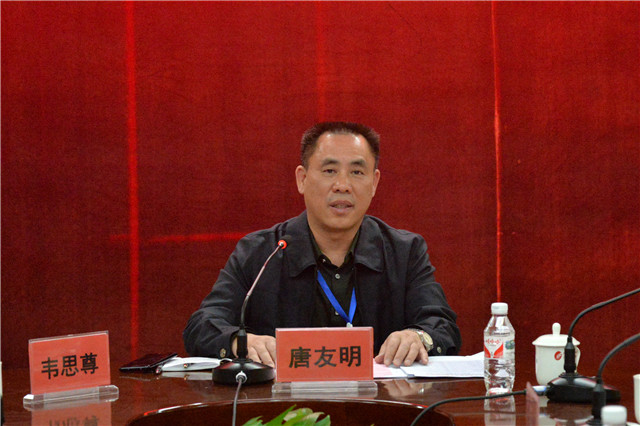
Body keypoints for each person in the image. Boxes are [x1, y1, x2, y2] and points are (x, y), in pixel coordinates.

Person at [183, 122, 461, 367]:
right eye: (329, 170)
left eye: (357, 172)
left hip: (381, 402)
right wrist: (239, 341)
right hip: (283, 406)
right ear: (302, 179)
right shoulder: (261, 252)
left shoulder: (405, 252)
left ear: (374, 183)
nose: (342, 185)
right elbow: (202, 325)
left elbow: (442, 326)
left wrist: (418, 337)